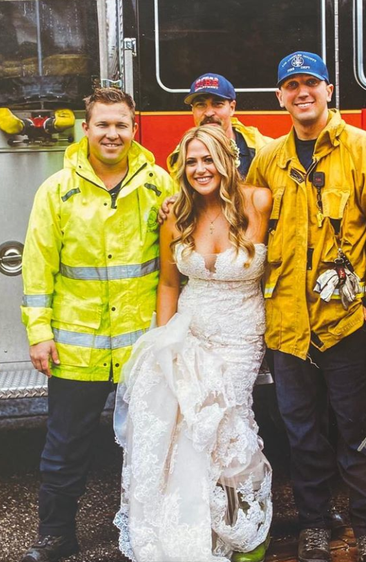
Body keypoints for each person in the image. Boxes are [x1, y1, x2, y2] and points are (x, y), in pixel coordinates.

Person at [246, 51, 366, 562]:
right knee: (303, 436)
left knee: (358, 432)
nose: (302, 92)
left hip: (346, 325)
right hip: (287, 325)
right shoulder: (269, 159)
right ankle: (315, 526)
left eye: (311, 82)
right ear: (280, 97)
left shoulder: (364, 148)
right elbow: (244, 229)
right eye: (291, 85)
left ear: (329, 90)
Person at [20, 87, 176, 562]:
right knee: (64, 449)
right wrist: (40, 333)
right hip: (77, 349)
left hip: (140, 348)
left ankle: (155, 533)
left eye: (121, 125)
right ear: (85, 129)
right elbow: (37, 268)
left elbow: (178, 258)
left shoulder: (161, 185)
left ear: (134, 129)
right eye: (102, 125)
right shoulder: (56, 190)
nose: (112, 134)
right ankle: (55, 534)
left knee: (151, 448)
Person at [113, 125, 273, 562]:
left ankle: (245, 531)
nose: (200, 169)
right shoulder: (176, 215)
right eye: (191, 161)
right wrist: (164, 344)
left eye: (208, 159)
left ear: (227, 159)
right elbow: (169, 283)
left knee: (230, 426)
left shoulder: (260, 201)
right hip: (189, 331)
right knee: (186, 432)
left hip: (240, 335)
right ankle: (201, 531)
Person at [168, 72, 271, 177]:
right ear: (193, 110)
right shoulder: (181, 158)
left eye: (217, 104)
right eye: (200, 105)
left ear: (232, 108)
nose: (209, 113)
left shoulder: (266, 150)